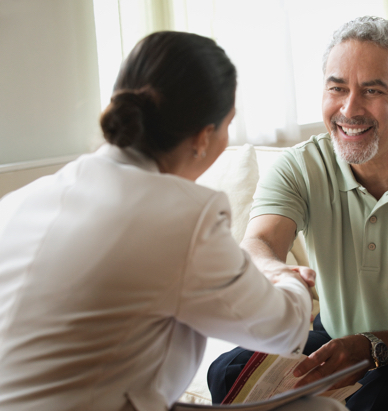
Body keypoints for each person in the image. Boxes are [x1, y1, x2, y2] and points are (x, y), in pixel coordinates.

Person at [0, 31, 346, 411]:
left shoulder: (20, 202)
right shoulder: (183, 214)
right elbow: (281, 330)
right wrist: (287, 279)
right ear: (203, 136)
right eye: (229, 123)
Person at [208, 16, 388, 411]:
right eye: (337, 88)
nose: (350, 108)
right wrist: (276, 272)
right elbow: (260, 241)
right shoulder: (299, 166)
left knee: (377, 401)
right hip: (335, 337)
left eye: (372, 90)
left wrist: (371, 347)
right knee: (226, 371)